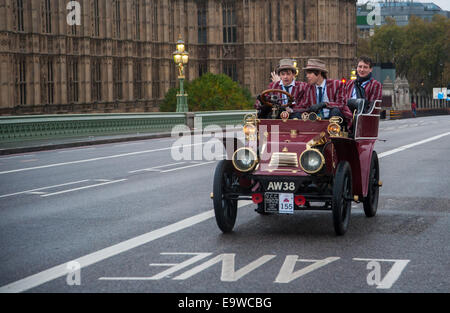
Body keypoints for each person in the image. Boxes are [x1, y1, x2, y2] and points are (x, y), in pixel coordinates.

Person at [297, 59, 352, 126]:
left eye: (310, 73)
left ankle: (333, 133)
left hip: (335, 119)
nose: (307, 76)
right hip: (315, 120)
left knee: (335, 111)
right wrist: (290, 110)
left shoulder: (337, 84)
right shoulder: (308, 87)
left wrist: (325, 104)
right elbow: (303, 106)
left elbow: (342, 104)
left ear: (319, 73)